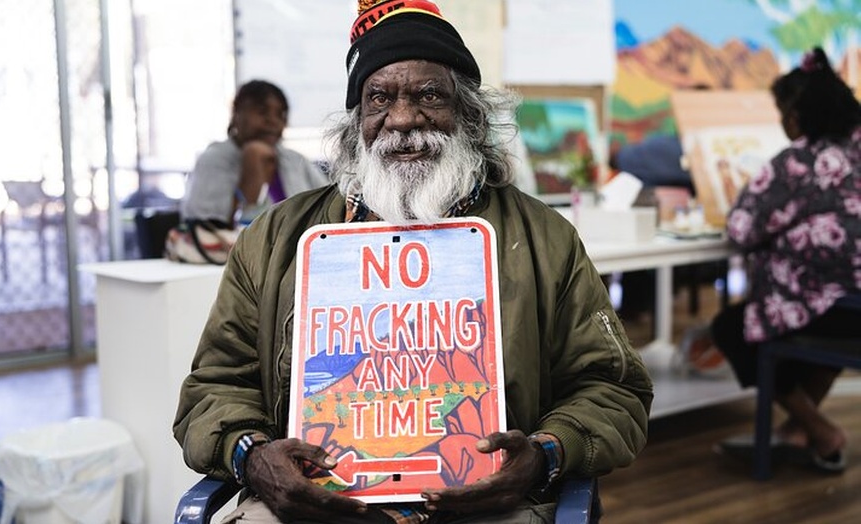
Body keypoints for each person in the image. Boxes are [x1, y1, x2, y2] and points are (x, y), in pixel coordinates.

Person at [173, 1, 653, 522]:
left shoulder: (545, 239)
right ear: (358, 119)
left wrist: (544, 454)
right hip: (315, 507)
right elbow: (215, 388)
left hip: (487, 506)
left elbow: (613, 388)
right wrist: (252, 455)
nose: (403, 119)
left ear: (468, 114)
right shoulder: (275, 240)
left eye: (429, 96)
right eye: (380, 97)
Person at [711, 47, 861, 472]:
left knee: (733, 329)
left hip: (833, 310)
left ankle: (819, 429)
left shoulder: (797, 162)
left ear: (798, 113)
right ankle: (798, 428)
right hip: (855, 306)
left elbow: (741, 228)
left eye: (783, 111)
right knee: (817, 322)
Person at [180, 79, 328, 226]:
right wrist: (253, 165)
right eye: (262, 111)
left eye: (280, 114)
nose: (272, 121)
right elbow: (211, 226)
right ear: (236, 114)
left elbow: (329, 206)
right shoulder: (215, 159)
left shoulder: (295, 160)